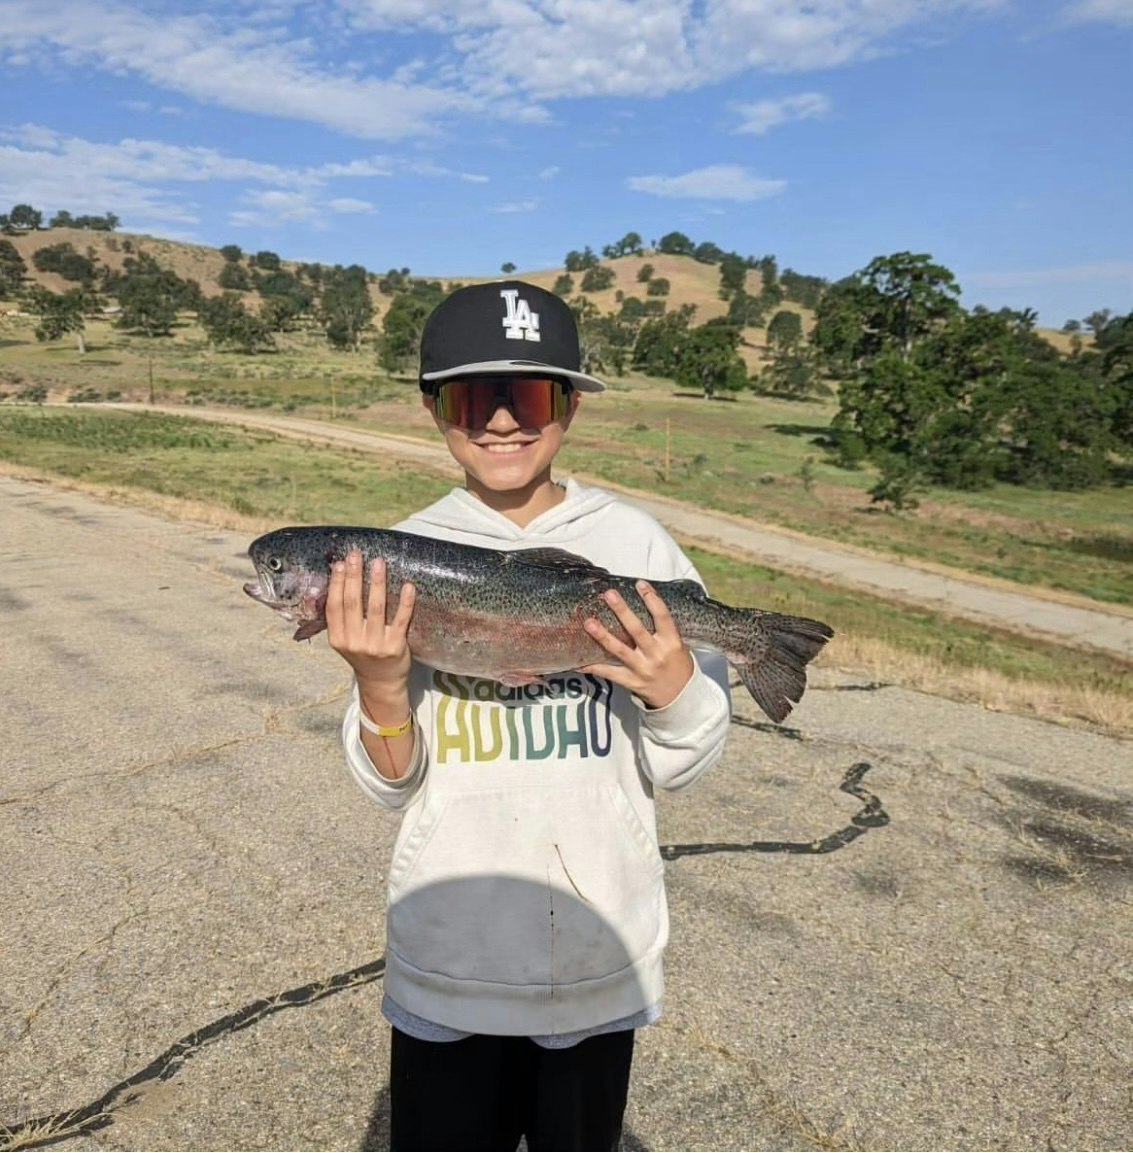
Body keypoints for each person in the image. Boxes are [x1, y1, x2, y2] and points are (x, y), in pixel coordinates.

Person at [325, 280, 731, 1151]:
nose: (502, 420)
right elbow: (390, 788)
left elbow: (682, 760)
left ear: (570, 406)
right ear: (436, 409)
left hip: (596, 953)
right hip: (450, 961)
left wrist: (672, 688)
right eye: (475, 396)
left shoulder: (636, 544)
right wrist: (378, 681)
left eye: (531, 394)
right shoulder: (394, 556)